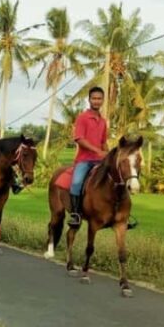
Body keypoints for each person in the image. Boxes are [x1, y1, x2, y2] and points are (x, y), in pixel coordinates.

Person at [68, 86, 108, 227]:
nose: (96, 101)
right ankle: (75, 214)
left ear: (103, 100)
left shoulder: (103, 121)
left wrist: (107, 154)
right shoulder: (82, 118)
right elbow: (79, 139)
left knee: (117, 178)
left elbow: (103, 142)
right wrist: (97, 151)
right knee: (76, 183)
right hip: (84, 160)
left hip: (100, 161)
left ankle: (119, 214)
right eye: (94, 98)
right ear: (89, 99)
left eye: (99, 98)